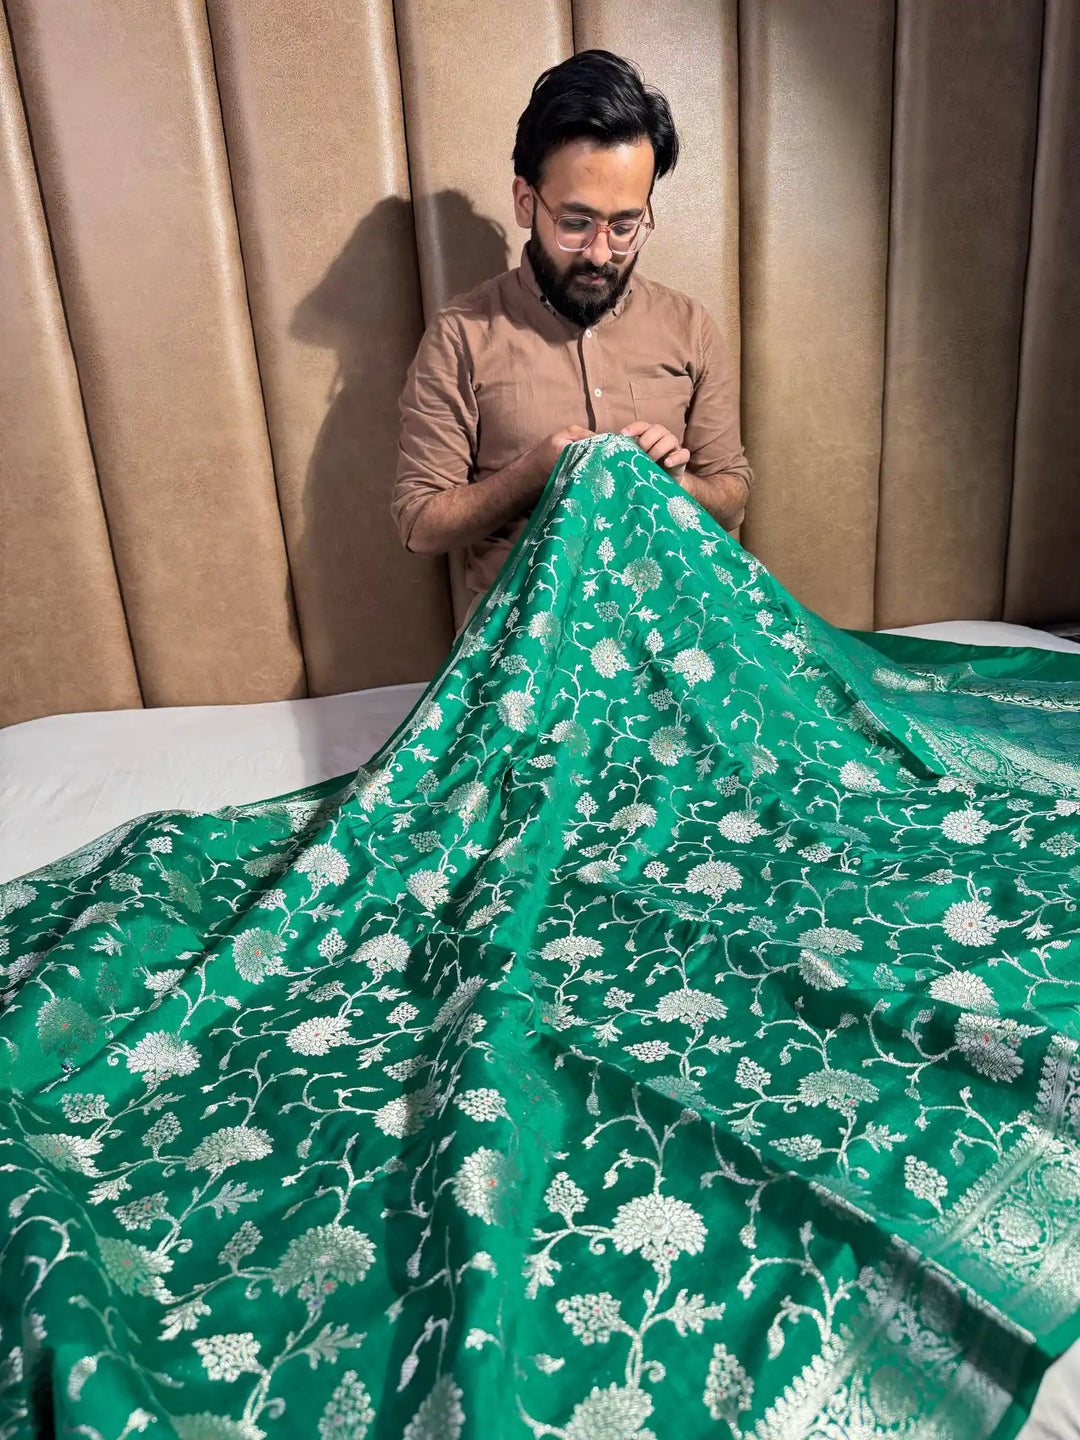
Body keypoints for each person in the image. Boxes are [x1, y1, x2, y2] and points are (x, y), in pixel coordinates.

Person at [392, 50, 752, 630]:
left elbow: (732, 497)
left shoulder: (689, 326)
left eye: (626, 225)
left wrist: (680, 485)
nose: (601, 253)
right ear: (525, 202)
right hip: (526, 643)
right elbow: (419, 524)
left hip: (676, 629)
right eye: (576, 222)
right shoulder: (461, 336)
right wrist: (537, 472)